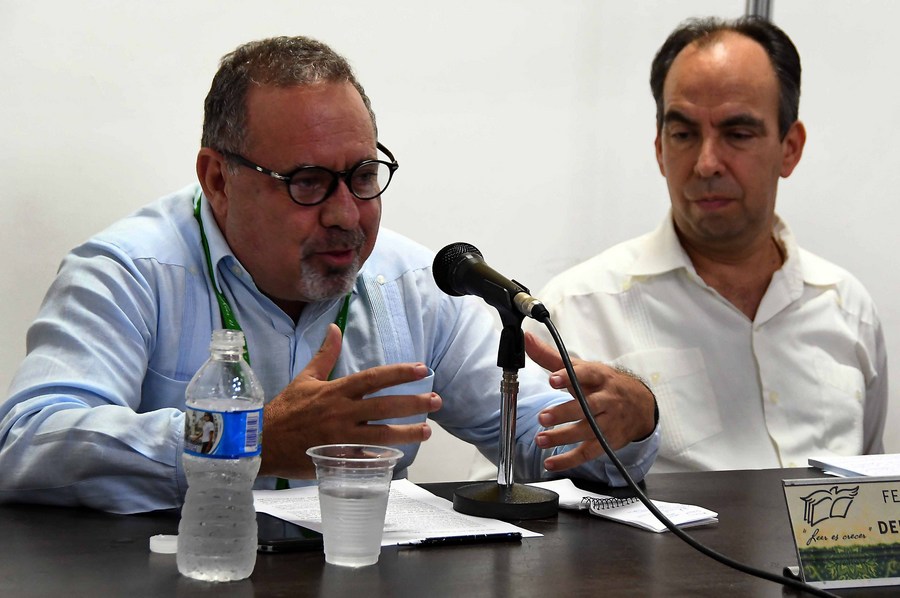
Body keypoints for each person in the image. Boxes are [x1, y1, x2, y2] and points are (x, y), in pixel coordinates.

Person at [0, 35, 658, 514]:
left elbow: (546, 445)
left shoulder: (411, 281)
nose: (347, 214)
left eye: (364, 176)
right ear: (216, 179)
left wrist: (628, 419)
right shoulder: (129, 273)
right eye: (308, 182)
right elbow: (30, 443)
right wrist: (245, 439)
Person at [525, 17, 887, 473]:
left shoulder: (846, 307)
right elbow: (519, 494)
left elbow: (871, 499)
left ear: (790, 148)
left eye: (737, 134)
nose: (706, 163)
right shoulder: (576, 311)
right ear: (659, 148)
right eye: (684, 134)